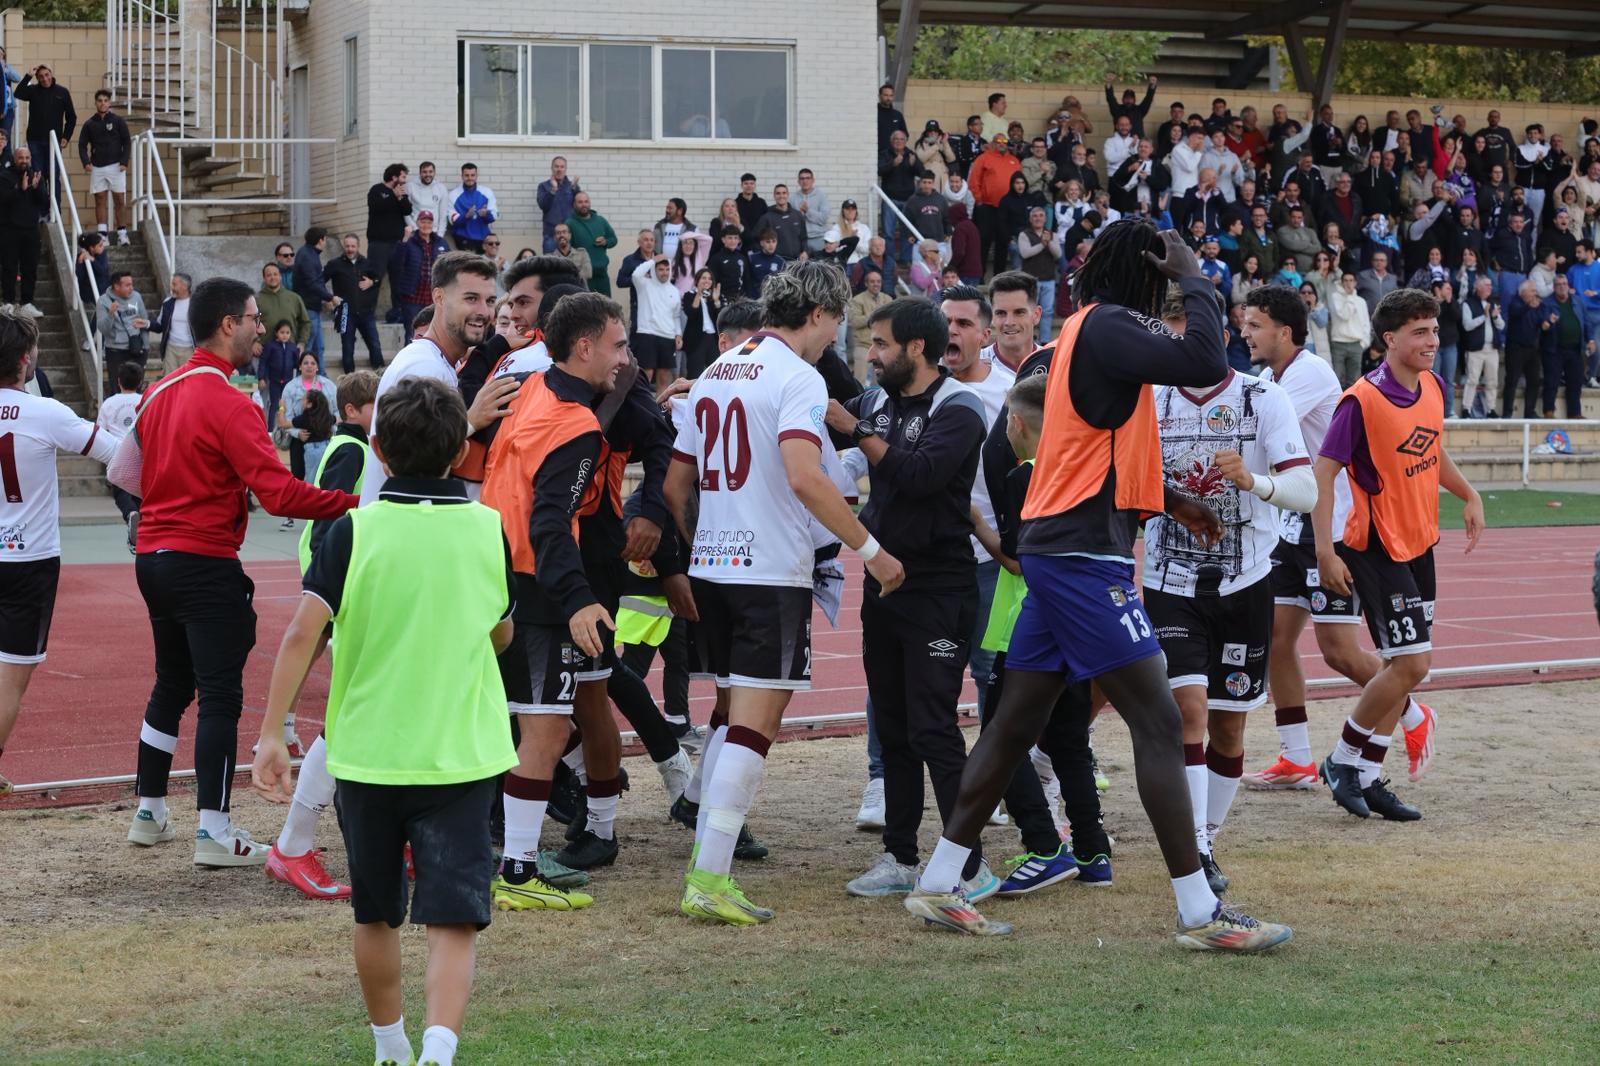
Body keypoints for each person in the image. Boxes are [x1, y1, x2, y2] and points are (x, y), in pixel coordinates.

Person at [901, 220, 1292, 951]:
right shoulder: (1109, 325)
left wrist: (1173, 501)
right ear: (1148, 271)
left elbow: (1101, 446)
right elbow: (1206, 356)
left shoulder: (1091, 330)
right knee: (1161, 723)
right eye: (1162, 274)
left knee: (1016, 724)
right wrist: (1198, 276)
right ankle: (1199, 912)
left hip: (1067, 548)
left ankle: (938, 880)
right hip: (1081, 556)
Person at [252, 375, 515, 1066]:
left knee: (375, 911)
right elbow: (502, 631)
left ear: (380, 450)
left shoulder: (352, 531)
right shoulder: (488, 528)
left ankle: (389, 1047)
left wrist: (271, 731)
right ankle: (438, 1050)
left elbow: (301, 635)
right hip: (461, 752)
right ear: (461, 448)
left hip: (368, 754)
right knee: (455, 916)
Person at [665, 261, 905, 925]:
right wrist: (871, 551)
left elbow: (674, 485)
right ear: (822, 313)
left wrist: (697, 547)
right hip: (768, 571)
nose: (835, 339)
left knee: (729, 713)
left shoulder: (716, 371)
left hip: (715, 564)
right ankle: (709, 876)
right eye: (836, 324)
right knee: (755, 723)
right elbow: (804, 476)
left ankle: (704, 863)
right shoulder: (798, 376)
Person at [125, 278, 358, 865]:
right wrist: (360, 506)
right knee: (222, 693)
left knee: (171, 683)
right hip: (203, 558)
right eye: (254, 317)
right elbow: (278, 495)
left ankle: (149, 811)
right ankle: (214, 830)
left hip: (153, 556)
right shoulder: (232, 400)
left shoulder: (157, 391)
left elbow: (125, 473)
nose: (261, 327)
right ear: (228, 323)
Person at [1143, 286, 1314, 895]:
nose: (1180, 343)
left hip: (1247, 582)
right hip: (1170, 581)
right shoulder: (1150, 401)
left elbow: (1306, 493)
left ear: (1218, 332)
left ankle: (1208, 837)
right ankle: (1193, 849)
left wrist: (1258, 482)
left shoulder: (1262, 397)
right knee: (1187, 709)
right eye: (1172, 332)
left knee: (1230, 727)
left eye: (1192, 330)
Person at [826, 296, 994, 901]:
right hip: (882, 582)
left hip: (941, 587)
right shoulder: (874, 402)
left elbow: (920, 476)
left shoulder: (959, 406)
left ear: (916, 349)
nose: (870, 357)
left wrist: (860, 434)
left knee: (933, 726)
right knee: (893, 725)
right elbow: (836, 449)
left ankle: (969, 864)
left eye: (880, 345)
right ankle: (899, 856)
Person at [1241, 287, 1438, 794]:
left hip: (1330, 527)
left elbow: (1257, 433)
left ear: (1285, 332)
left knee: (1340, 652)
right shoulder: (1269, 377)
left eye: (1255, 324)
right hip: (1292, 523)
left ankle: (1411, 712)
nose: (1246, 333)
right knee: (1277, 637)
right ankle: (1298, 758)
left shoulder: (1309, 374)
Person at [1314, 288, 1484, 821]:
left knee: (1401, 669)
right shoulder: (1359, 400)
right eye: (1420, 332)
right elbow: (1323, 474)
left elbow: (1430, 448)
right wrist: (1324, 551)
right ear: (1389, 338)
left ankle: (1367, 777)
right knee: (1413, 662)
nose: (1432, 341)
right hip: (1375, 544)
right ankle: (1342, 759)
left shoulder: (1433, 385)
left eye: (1434, 331)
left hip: (1420, 542)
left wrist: (1469, 494)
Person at [0, 311, 118, 795]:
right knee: (11, 679)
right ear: (25, 361)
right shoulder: (45, 411)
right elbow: (118, 455)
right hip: (29, 561)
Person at [360, 253, 520, 508]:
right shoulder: (425, 367)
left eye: (490, 301)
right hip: (402, 534)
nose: (483, 312)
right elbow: (416, 459)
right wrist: (472, 420)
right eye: (470, 299)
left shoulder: (434, 360)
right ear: (439, 298)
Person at [324, 233, 385, 373]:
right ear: (344, 246)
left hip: (366, 313)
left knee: (375, 345)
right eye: (347, 246)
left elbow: (378, 279)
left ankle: (381, 377)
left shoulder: (367, 263)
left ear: (358, 246)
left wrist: (372, 282)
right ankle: (349, 380)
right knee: (347, 347)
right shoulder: (335, 264)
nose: (350, 249)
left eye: (353, 246)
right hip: (345, 313)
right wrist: (328, 298)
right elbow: (320, 281)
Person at [13, 65, 74, 203]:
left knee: (53, 176)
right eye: (41, 76)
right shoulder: (33, 90)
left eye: (47, 75)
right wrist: (28, 76)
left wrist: (66, 137)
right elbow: (18, 93)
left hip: (54, 142)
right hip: (35, 141)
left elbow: (72, 117)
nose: (45, 78)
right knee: (37, 175)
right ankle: (41, 210)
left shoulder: (62, 92)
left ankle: (55, 209)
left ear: (51, 74)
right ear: (38, 78)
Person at [278, 349, 339, 488]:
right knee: (298, 479)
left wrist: (329, 428)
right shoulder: (290, 387)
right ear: (300, 366)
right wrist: (297, 433)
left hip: (326, 440)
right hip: (299, 440)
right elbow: (287, 418)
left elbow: (338, 411)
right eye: (305, 363)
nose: (309, 366)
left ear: (317, 366)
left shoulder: (329, 386)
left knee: (323, 478)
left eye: (313, 363)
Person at [80, 89, 131, 245]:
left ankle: (122, 233)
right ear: (96, 102)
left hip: (116, 166)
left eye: (105, 100)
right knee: (100, 199)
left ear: (109, 103)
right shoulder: (89, 123)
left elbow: (126, 142)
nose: (102, 103)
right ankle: (102, 234)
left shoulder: (118, 121)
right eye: (100, 100)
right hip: (97, 167)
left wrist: (124, 161)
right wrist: (86, 162)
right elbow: (82, 145)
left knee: (119, 199)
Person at [0, 145, 46, 317]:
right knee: (9, 267)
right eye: (21, 158)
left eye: (27, 158)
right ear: (14, 159)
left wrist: (35, 188)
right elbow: (4, 199)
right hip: (9, 229)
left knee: (30, 268)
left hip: (31, 230)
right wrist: (21, 189)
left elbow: (44, 202)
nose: (24, 161)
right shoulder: (5, 177)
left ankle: (27, 302)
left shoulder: (36, 175)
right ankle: (8, 302)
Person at [630, 254, 686, 390]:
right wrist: (652, 261)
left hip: (668, 337)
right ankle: (640, 407)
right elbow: (636, 274)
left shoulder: (674, 291)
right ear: (654, 270)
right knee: (646, 374)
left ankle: (659, 410)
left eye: (667, 269)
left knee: (664, 376)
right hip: (647, 334)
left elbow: (676, 316)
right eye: (660, 269)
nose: (664, 273)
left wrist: (678, 334)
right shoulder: (644, 284)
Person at [389, 210, 449, 336]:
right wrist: (404, 239)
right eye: (423, 222)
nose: (426, 225)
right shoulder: (409, 241)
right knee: (411, 332)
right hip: (412, 297)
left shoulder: (441, 243)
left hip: (433, 297)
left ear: (433, 224)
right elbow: (395, 263)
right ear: (417, 223)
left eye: (429, 222)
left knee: (434, 332)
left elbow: (449, 266)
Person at [99, 358, 145, 522]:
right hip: (141, 453)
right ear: (140, 382)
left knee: (120, 492)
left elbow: (100, 431)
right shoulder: (145, 400)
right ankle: (141, 518)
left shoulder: (109, 403)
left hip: (117, 453)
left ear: (118, 381)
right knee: (141, 492)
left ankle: (131, 514)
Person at [1541, 274, 1590, 418]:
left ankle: (1575, 413)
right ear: (1554, 288)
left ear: (1568, 286)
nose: (1562, 287)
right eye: (1558, 285)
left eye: (1564, 284)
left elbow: (1586, 322)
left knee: (1575, 382)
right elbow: (1542, 325)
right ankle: (1548, 411)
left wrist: (1591, 340)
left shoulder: (1577, 301)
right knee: (1552, 381)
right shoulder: (1546, 303)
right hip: (1554, 349)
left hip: (1575, 348)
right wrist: (1549, 322)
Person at [95, 269, 151, 391]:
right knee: (117, 388)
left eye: (131, 284)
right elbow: (103, 329)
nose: (131, 288)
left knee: (136, 389)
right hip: (116, 351)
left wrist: (146, 347)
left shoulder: (136, 297)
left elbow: (144, 320)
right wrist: (110, 314)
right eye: (127, 285)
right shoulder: (103, 301)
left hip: (136, 349)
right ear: (116, 286)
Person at [365, 163, 411, 308]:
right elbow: (377, 207)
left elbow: (407, 210)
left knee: (398, 280)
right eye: (403, 177)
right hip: (379, 244)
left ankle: (397, 313)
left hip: (397, 244)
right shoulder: (377, 190)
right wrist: (393, 196)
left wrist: (400, 198)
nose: (404, 180)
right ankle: (367, 312)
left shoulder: (401, 193)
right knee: (374, 277)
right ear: (394, 177)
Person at [293, 227, 336, 371]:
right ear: (320, 240)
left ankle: (321, 380)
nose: (326, 242)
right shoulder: (308, 256)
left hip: (313, 307)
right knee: (309, 348)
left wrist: (325, 299)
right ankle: (305, 382)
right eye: (325, 239)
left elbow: (315, 282)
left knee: (319, 348)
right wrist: (330, 297)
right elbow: (312, 283)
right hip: (308, 308)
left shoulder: (309, 254)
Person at [1504, 280, 1545, 418]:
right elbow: (1517, 313)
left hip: (1532, 349)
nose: (1535, 293)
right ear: (1524, 292)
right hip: (1516, 348)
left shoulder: (1535, 305)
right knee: (1512, 381)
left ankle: (1530, 412)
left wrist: (1546, 321)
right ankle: (1507, 413)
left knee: (1534, 381)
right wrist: (1529, 306)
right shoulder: (1515, 302)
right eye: (1532, 291)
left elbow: (1539, 320)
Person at [565, 191, 618, 296]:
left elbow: (614, 239)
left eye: (586, 201)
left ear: (590, 203)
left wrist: (605, 242)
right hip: (582, 277)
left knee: (605, 309)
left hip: (602, 275)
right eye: (580, 202)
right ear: (574, 205)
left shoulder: (600, 220)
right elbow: (567, 248)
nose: (584, 204)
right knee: (585, 310)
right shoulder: (570, 223)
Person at [1327, 270, 1373, 387]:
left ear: (1355, 283)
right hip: (1339, 343)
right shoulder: (1335, 297)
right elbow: (1344, 315)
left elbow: (1365, 323)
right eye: (1346, 281)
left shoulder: (1361, 301)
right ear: (1341, 283)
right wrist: (1349, 296)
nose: (1348, 283)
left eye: (1351, 280)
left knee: (1354, 381)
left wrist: (1364, 343)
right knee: (1337, 380)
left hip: (1356, 344)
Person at [846, 269, 891, 379]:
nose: (876, 284)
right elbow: (854, 322)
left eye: (878, 281)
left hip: (883, 346)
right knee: (859, 382)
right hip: (863, 345)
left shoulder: (888, 299)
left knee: (883, 384)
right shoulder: (857, 300)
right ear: (866, 283)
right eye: (872, 281)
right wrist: (876, 313)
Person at [150, 272, 195, 372]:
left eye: (174, 284)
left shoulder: (196, 304)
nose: (171, 287)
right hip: (170, 350)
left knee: (188, 383)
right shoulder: (167, 303)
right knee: (170, 382)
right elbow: (159, 326)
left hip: (190, 350)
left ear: (184, 286)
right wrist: (146, 324)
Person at [680, 269, 721, 378]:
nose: (707, 281)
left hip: (712, 338)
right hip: (696, 339)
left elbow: (720, 318)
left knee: (715, 374)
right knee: (694, 374)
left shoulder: (713, 296)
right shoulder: (689, 295)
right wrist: (698, 294)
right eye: (704, 278)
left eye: (709, 278)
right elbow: (691, 313)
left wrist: (716, 301)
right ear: (697, 280)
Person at [448, 163, 497, 253]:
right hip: (463, 238)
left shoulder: (487, 192)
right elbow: (451, 220)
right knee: (468, 266)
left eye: (472, 175)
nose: (470, 178)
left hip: (483, 238)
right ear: (462, 176)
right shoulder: (453, 195)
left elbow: (494, 216)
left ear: (477, 175)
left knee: (482, 266)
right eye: (466, 175)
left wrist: (486, 214)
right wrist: (466, 216)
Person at [537, 156, 580, 252]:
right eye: (556, 167)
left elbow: (579, 207)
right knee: (549, 264)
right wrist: (553, 190)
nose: (559, 169)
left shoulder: (572, 186)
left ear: (565, 169)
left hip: (569, 235)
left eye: (562, 167)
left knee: (569, 265)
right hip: (551, 234)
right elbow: (543, 206)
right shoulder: (543, 186)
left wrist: (575, 189)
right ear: (552, 168)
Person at [405, 160, 450, 232]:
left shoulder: (441, 188)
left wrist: (440, 235)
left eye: (430, 172)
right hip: (416, 231)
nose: (428, 174)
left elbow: (443, 215)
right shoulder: (410, 186)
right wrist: (415, 229)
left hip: (434, 231)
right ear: (420, 173)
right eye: (424, 172)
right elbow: (405, 213)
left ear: (434, 173)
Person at [747, 228, 786, 297]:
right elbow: (746, 281)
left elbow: (783, 285)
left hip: (773, 300)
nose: (771, 245)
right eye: (768, 242)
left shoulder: (781, 262)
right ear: (761, 243)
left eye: (774, 241)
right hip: (755, 300)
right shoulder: (752, 259)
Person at [877, 82, 907, 155]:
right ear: (880, 96)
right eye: (886, 95)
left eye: (891, 95)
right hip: (878, 154)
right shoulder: (873, 114)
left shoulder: (898, 115)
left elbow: (905, 134)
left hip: (895, 154)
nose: (888, 98)